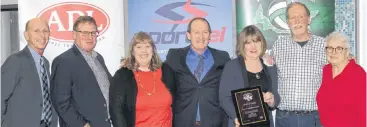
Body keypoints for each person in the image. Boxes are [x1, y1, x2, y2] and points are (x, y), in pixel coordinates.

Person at [269, 2, 326, 127]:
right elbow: (269, 76)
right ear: (288, 22)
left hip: (315, 118)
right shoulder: (278, 46)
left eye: (301, 16)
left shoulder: (324, 45)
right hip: (284, 118)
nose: (297, 21)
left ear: (308, 19)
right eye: (292, 17)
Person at [165, 17, 230, 127]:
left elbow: (232, 85)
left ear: (210, 35)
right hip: (183, 122)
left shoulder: (222, 57)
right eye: (196, 32)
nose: (201, 36)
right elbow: (162, 81)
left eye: (205, 32)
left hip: (214, 122)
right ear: (188, 35)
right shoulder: (174, 56)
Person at [51, 16, 112, 127]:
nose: (89, 37)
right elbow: (61, 102)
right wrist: (82, 125)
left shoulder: (99, 58)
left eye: (93, 33)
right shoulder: (63, 61)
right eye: (84, 33)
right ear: (74, 35)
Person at [109, 32, 176, 127]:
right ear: (132, 51)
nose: (144, 51)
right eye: (139, 47)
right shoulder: (122, 76)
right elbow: (116, 112)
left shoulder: (166, 70)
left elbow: (178, 103)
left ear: (153, 50)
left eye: (147, 46)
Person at [1, 18, 58, 127]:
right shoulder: (16, 61)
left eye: (45, 31)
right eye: (36, 31)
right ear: (26, 35)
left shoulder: (45, 62)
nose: (42, 35)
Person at [219, 25, 280, 127]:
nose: (253, 46)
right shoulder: (232, 66)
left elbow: (275, 96)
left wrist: (271, 100)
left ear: (262, 43)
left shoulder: (269, 66)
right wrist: (236, 117)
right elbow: (224, 98)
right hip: (240, 124)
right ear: (242, 46)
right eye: (248, 42)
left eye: (256, 41)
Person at [316, 32, 366, 127]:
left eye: (339, 48)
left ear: (347, 52)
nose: (333, 52)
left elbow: (363, 113)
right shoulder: (325, 71)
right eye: (330, 48)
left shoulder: (358, 74)